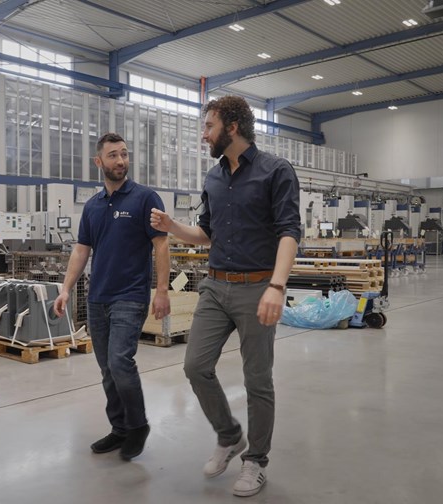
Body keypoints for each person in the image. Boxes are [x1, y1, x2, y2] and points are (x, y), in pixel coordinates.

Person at [150, 96, 300, 497]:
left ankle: (256, 462)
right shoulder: (214, 178)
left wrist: (276, 286)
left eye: (209, 127)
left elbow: (289, 232)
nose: (204, 135)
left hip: (257, 286)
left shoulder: (275, 171)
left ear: (232, 126)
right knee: (195, 366)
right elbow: (207, 234)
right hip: (215, 286)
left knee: (257, 380)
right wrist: (172, 225)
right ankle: (230, 434)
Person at [53, 132, 171, 461]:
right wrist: (65, 288)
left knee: (120, 362)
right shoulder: (92, 206)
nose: (120, 161)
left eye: (124, 154)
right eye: (113, 155)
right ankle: (119, 428)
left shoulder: (146, 198)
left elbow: (161, 244)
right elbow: (81, 250)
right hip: (97, 298)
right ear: (99, 162)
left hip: (130, 295)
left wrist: (161, 291)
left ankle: (138, 425)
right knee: (107, 369)